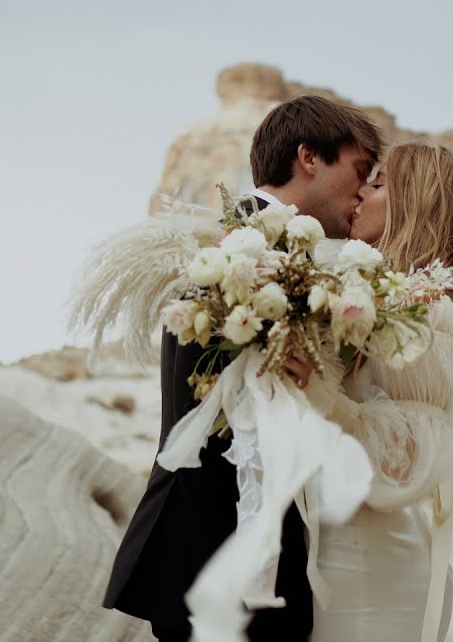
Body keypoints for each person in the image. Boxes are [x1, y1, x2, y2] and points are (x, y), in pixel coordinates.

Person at [99, 95, 383, 642]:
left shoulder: (288, 254)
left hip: (255, 558)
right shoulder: (227, 248)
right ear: (309, 157)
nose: (362, 193)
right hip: (207, 550)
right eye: (359, 171)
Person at [285, 143, 453, 642]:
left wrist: (320, 394)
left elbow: (409, 457)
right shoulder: (378, 296)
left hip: (369, 569)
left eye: (376, 186)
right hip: (342, 553)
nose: (359, 193)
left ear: (411, 205)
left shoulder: (424, 310)